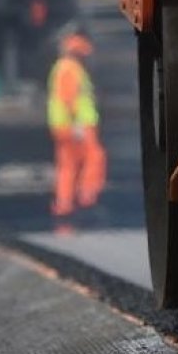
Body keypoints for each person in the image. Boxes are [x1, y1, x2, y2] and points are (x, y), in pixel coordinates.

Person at [47, 33, 107, 218]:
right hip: (78, 125)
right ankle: (87, 196)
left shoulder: (61, 68)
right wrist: (77, 125)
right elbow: (70, 99)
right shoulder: (70, 69)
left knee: (67, 165)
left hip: (63, 125)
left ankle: (64, 204)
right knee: (94, 157)